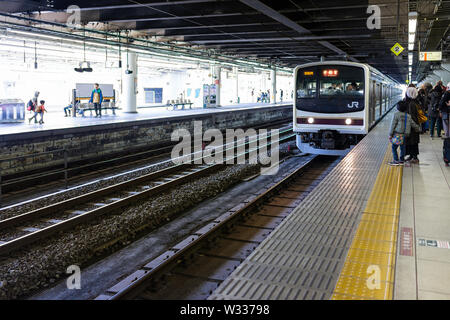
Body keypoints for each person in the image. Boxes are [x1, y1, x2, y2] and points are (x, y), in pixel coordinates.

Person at [389, 100, 421, 165]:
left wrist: (390, 134)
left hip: (397, 134)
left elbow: (393, 125)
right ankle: (401, 160)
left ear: (397, 107)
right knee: (402, 148)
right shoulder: (408, 116)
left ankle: (395, 160)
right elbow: (413, 124)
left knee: (394, 147)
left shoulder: (396, 115)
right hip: (405, 135)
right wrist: (418, 129)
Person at [404, 87, 421, 163]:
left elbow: (411, 116)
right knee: (413, 142)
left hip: (412, 126)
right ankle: (412, 156)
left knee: (413, 142)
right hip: (414, 125)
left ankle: (414, 157)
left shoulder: (411, 104)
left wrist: (414, 126)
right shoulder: (414, 102)